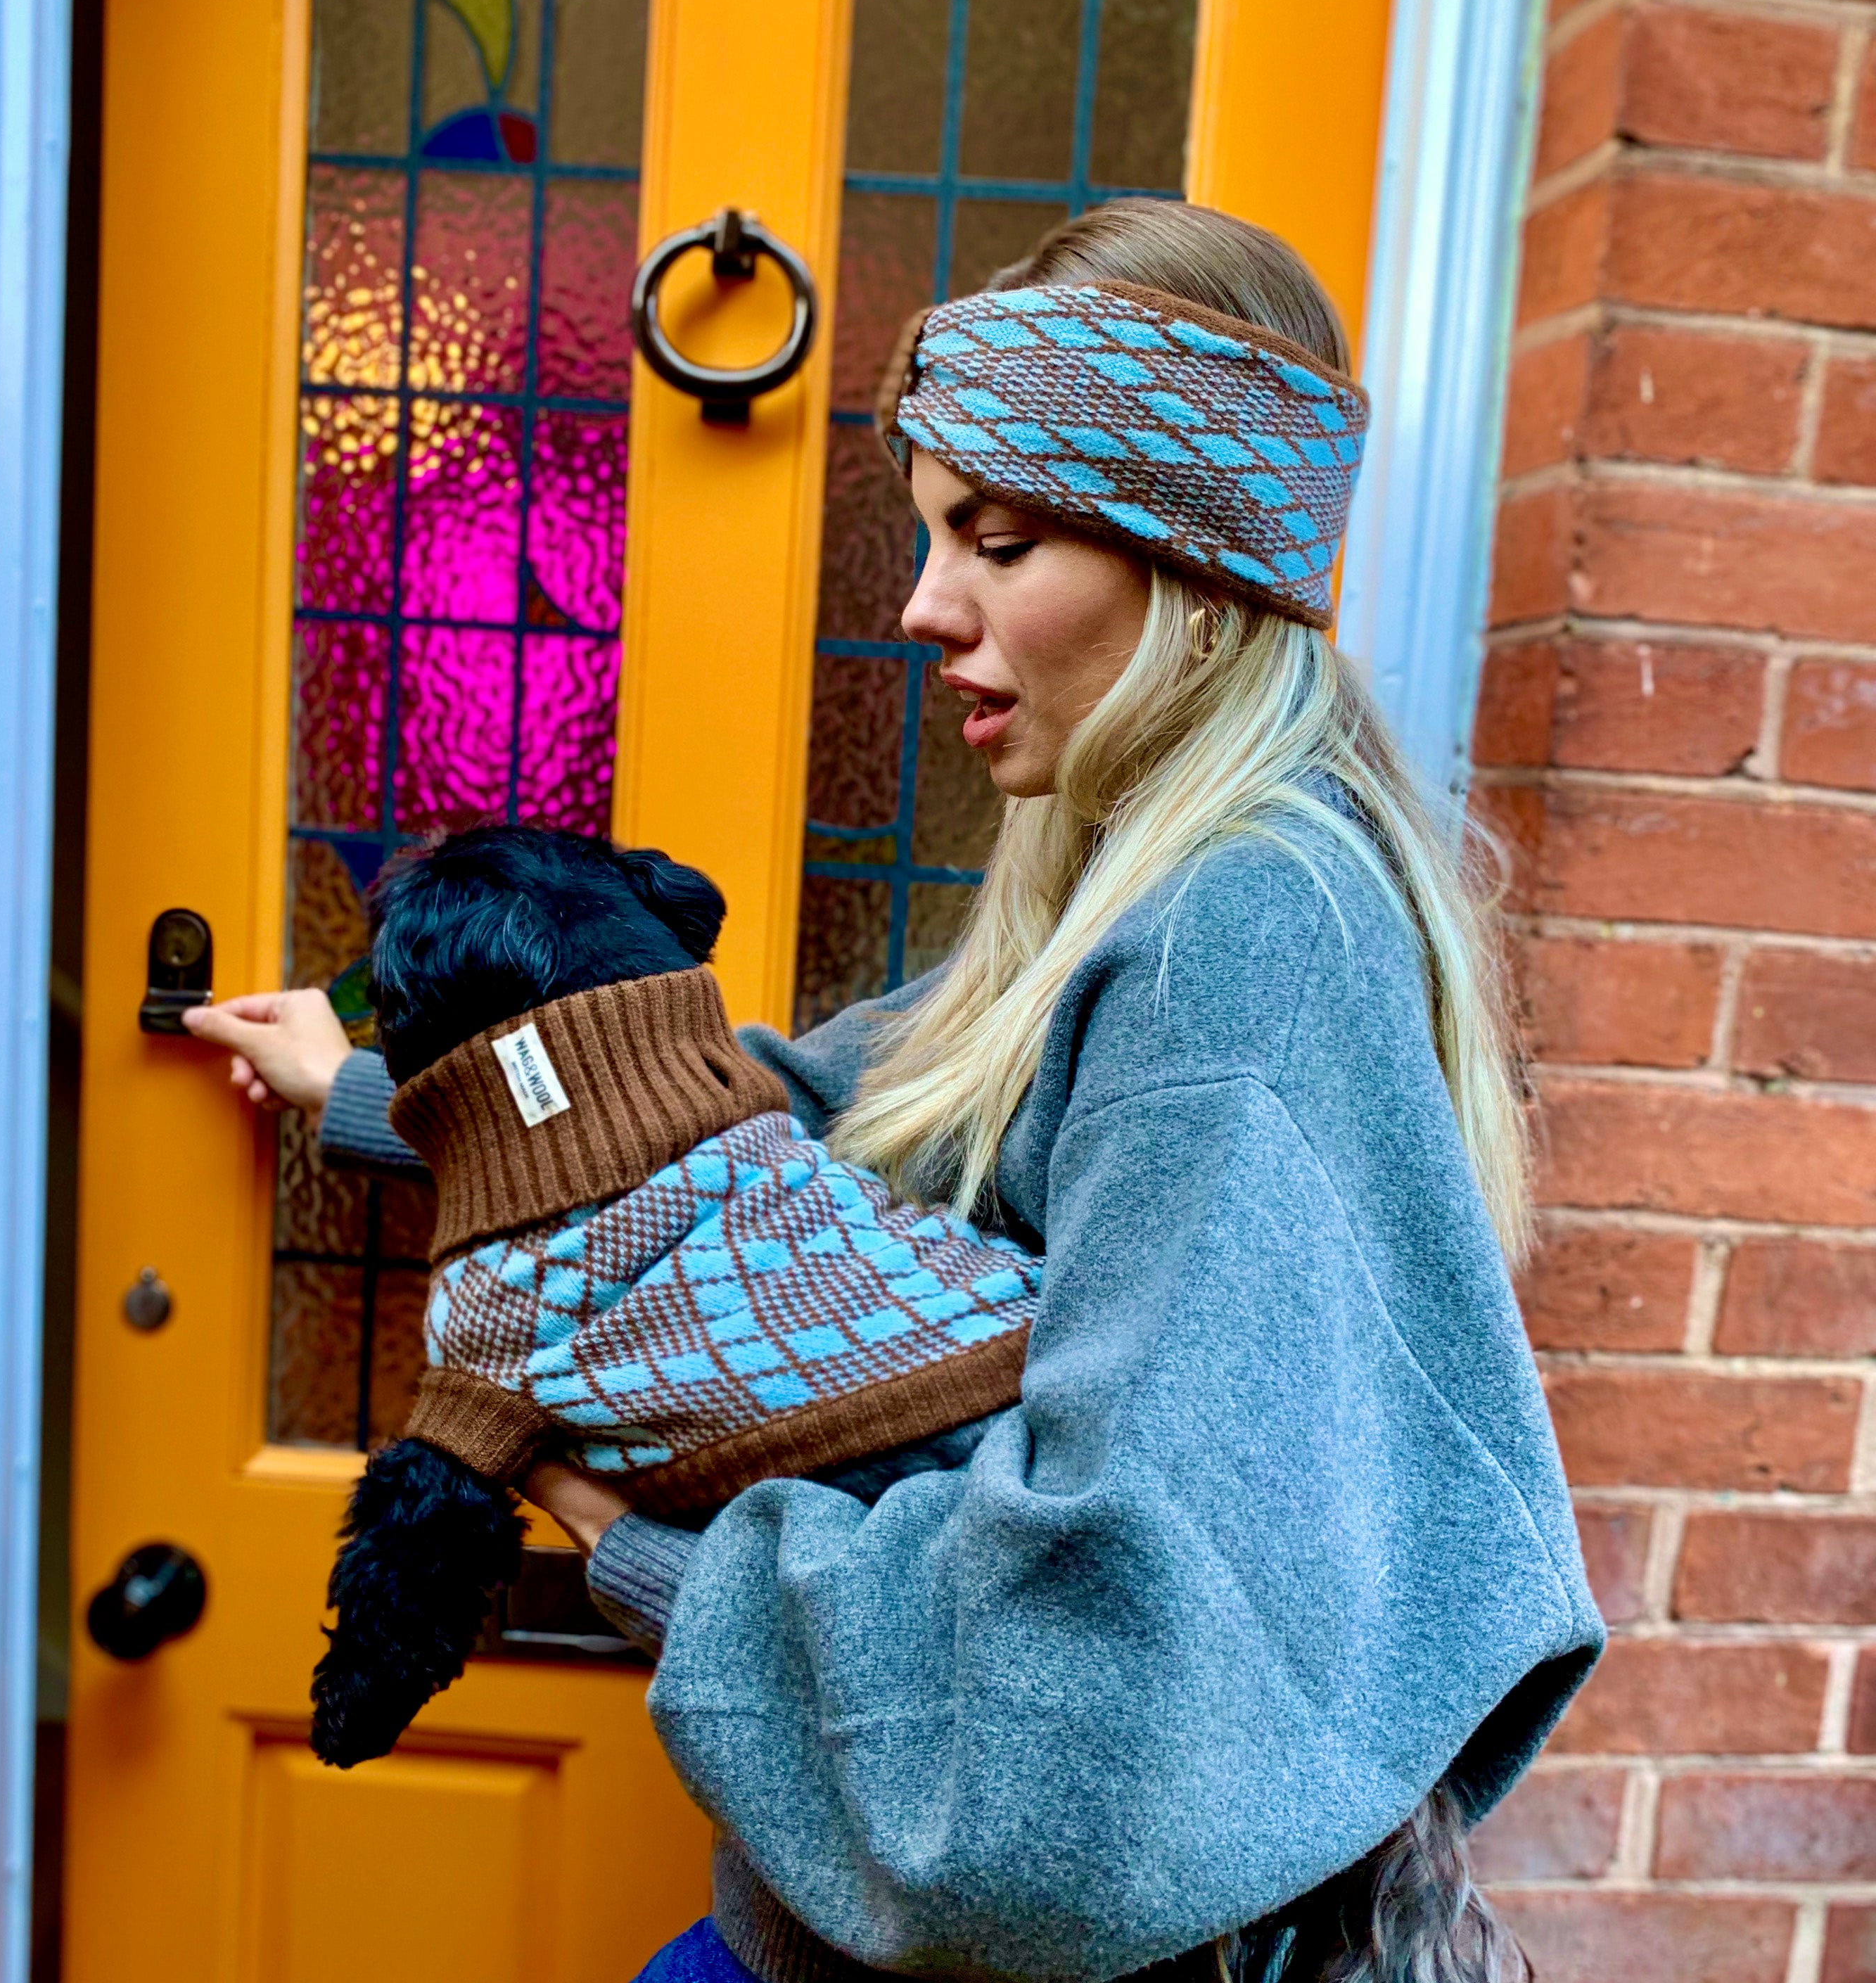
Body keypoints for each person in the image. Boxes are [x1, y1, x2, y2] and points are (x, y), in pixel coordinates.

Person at [187, 198, 1602, 1983]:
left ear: (1197, 569)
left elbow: (1088, 1711)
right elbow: (792, 1104)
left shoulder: (1244, 935)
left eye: (998, 541)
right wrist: (386, 1092)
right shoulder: (1129, 884)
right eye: (938, 537)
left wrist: (626, 1539)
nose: (926, 605)